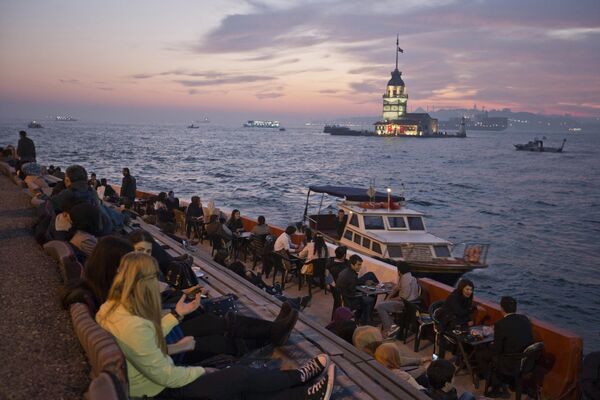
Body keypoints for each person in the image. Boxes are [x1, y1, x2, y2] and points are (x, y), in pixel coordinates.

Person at [96, 252, 336, 400]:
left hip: (151, 385)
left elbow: (144, 340)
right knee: (238, 377)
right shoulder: (133, 324)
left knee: (235, 381)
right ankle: (299, 381)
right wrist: (204, 371)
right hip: (160, 391)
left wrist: (177, 315)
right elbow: (166, 376)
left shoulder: (110, 309)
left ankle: (300, 389)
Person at [62, 235, 134, 313]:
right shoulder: (94, 301)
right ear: (112, 268)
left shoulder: (88, 291)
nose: (132, 272)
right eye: (128, 266)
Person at [482, 297, 534, 394]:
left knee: (483, 355)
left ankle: (495, 386)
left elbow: (497, 350)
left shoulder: (500, 324)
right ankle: (510, 382)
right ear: (515, 308)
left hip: (510, 364)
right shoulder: (525, 319)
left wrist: (489, 345)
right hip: (526, 362)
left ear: (502, 309)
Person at [375, 262, 421, 338]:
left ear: (399, 271)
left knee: (380, 306)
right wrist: (388, 298)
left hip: (407, 305)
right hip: (409, 303)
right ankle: (392, 326)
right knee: (383, 304)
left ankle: (391, 328)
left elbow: (403, 297)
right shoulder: (407, 276)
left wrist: (390, 299)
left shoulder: (406, 279)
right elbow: (396, 288)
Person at [437, 279, 476, 358]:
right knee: (465, 334)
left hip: (457, 321)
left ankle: (461, 359)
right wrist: (469, 314)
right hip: (446, 322)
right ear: (461, 288)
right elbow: (460, 312)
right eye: (467, 289)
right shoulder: (454, 297)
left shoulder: (468, 297)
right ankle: (442, 358)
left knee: (470, 334)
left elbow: (465, 311)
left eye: (471, 290)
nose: (469, 292)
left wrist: (468, 319)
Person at [336, 254, 378, 325]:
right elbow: (353, 294)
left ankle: (364, 317)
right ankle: (366, 320)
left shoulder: (346, 271)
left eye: (360, 265)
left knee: (370, 276)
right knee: (370, 298)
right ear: (352, 264)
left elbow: (354, 283)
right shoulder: (351, 276)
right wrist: (365, 293)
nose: (360, 267)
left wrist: (364, 283)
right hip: (350, 300)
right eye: (358, 265)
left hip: (344, 296)